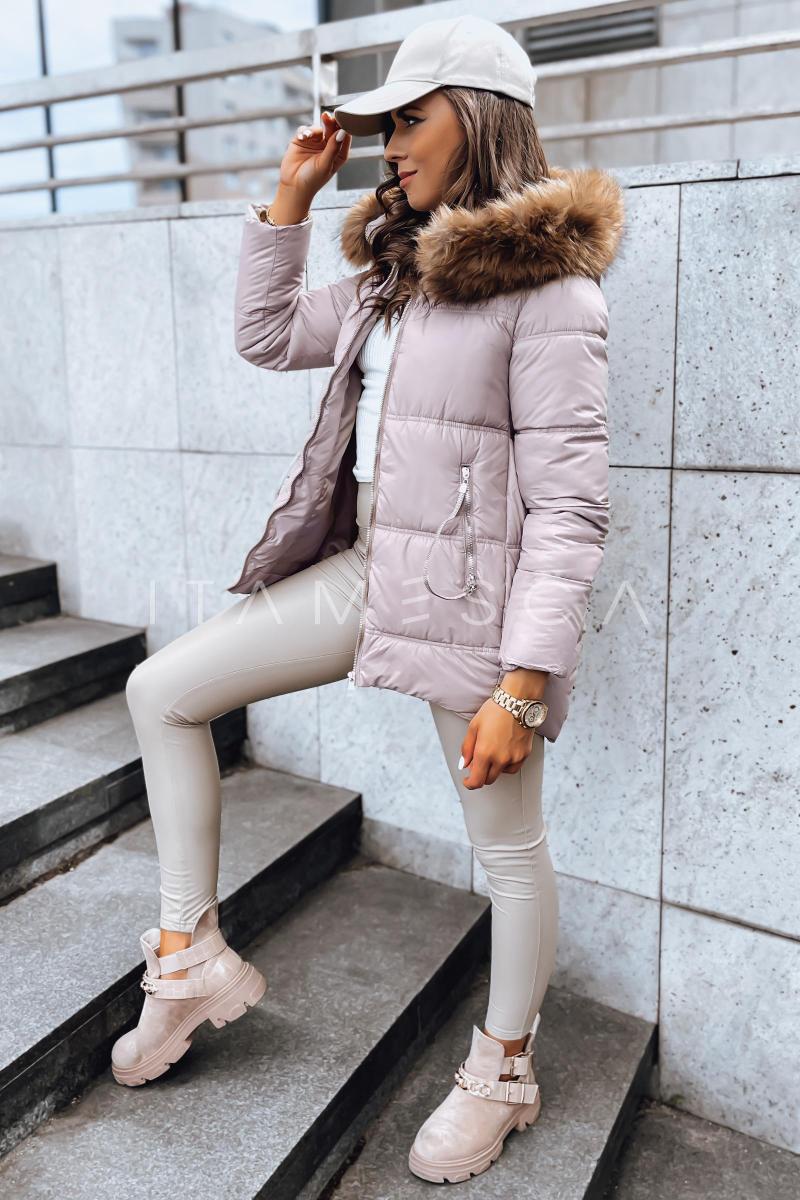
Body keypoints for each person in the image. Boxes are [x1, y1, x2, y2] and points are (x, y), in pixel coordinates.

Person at [111, 12, 625, 1186]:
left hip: (477, 613)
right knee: (162, 692)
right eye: (382, 124)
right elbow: (265, 336)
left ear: (476, 121)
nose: (388, 144)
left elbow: (568, 508)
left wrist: (523, 682)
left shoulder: (551, 295)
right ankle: (187, 961)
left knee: (506, 851)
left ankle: (502, 1073)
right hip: (367, 572)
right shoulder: (393, 275)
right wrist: (291, 198)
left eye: (407, 119)